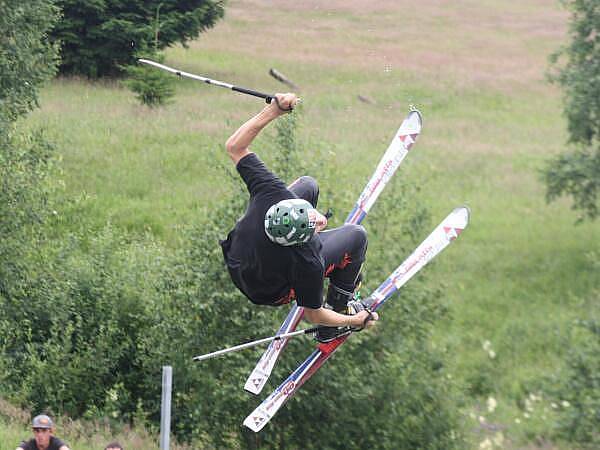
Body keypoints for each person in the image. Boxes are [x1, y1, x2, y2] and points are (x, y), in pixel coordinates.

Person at [220, 92, 379, 342]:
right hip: (268, 290)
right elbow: (314, 316)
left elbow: (234, 146)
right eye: (313, 224)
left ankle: (336, 275)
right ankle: (340, 304)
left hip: (239, 258)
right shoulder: (307, 261)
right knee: (356, 236)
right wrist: (354, 321)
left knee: (308, 185)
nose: (318, 219)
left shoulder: (271, 193)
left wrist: (274, 110)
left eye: (309, 214)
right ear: (304, 240)